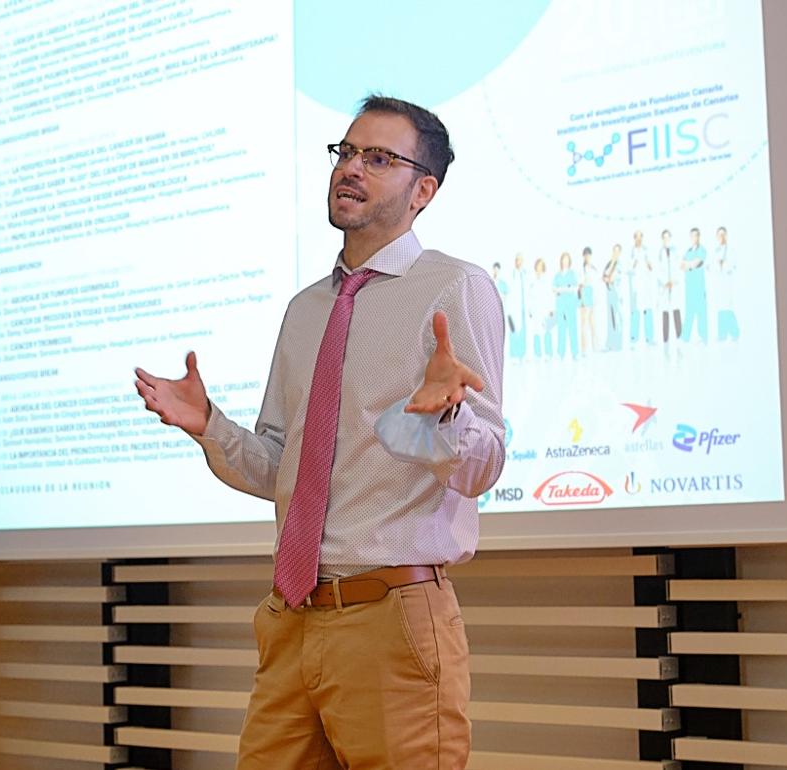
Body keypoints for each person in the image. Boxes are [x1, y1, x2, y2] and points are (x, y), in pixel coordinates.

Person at [135, 95, 504, 769]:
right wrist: (210, 427)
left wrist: (447, 416)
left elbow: (485, 466)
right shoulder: (306, 309)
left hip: (390, 615)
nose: (352, 168)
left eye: (379, 158)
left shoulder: (453, 287)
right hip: (292, 618)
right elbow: (281, 466)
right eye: (347, 152)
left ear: (424, 190)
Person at [681, 227, 709, 342]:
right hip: (689, 287)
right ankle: (685, 337)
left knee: (701, 312)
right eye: (692, 235)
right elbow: (682, 266)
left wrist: (689, 265)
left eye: (696, 235)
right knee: (689, 311)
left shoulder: (702, 250)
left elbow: (696, 264)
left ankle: (703, 337)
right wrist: (690, 265)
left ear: (699, 236)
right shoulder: (688, 251)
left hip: (699, 286)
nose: (694, 238)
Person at [656, 229, 683, 343]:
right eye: (664, 238)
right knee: (665, 312)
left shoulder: (675, 251)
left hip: (674, 284)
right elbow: (658, 269)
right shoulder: (660, 252)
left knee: (676, 310)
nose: (666, 239)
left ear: (670, 238)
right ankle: (665, 338)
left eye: (668, 237)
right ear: (662, 239)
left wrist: (673, 281)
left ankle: (679, 336)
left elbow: (678, 267)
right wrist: (665, 282)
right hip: (664, 286)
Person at [629, 230, 655, 345]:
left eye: (640, 237)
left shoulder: (647, 250)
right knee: (635, 311)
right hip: (635, 285)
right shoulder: (631, 252)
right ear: (634, 238)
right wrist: (635, 260)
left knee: (647, 309)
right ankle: (634, 339)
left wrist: (647, 261)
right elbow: (629, 268)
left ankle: (649, 338)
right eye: (637, 237)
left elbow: (651, 267)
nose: (639, 240)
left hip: (646, 284)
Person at [713, 226, 739, 340]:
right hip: (719, 282)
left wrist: (723, 264)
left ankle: (734, 333)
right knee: (720, 308)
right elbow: (713, 266)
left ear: (726, 236)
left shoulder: (731, 250)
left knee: (728, 307)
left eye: (723, 234)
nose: (722, 237)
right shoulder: (716, 251)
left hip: (728, 281)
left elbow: (733, 265)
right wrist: (718, 265)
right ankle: (722, 334)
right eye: (719, 235)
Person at [554, 251, 580, 359]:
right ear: (561, 261)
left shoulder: (572, 274)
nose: (565, 262)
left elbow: (575, 287)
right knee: (561, 329)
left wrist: (563, 289)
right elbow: (555, 289)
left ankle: (575, 353)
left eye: (567, 260)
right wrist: (564, 289)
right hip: (560, 305)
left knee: (572, 328)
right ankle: (561, 353)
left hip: (570, 305)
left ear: (569, 262)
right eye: (563, 260)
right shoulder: (557, 275)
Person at [528, 257, 554, 358]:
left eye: (541, 266)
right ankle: (538, 353)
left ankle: (548, 353)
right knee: (536, 332)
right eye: (538, 266)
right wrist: (530, 310)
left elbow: (549, 295)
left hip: (544, 310)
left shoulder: (546, 280)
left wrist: (550, 310)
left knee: (546, 331)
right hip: (535, 310)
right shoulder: (532, 280)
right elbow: (530, 296)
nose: (539, 268)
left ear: (543, 268)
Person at [579, 246, 600, 354]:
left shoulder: (593, 268)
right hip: (584, 293)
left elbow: (595, 283)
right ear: (583, 256)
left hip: (592, 294)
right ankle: (584, 349)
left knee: (592, 322)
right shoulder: (581, 269)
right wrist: (582, 299)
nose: (587, 257)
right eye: (585, 255)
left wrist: (595, 298)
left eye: (589, 255)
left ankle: (595, 346)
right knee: (584, 323)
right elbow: (581, 285)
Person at [604, 243, 624, 351]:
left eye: (617, 251)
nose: (615, 253)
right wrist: (612, 262)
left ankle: (618, 344)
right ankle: (610, 343)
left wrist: (608, 278)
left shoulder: (620, 265)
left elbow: (611, 278)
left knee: (617, 319)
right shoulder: (609, 263)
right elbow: (604, 276)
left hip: (617, 294)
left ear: (620, 253)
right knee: (610, 319)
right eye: (614, 251)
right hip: (609, 293)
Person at [508, 253, 528, 359]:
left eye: (520, 260)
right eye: (517, 260)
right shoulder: (511, 274)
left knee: (522, 332)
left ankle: (522, 354)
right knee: (513, 330)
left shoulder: (525, 274)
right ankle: (514, 354)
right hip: (513, 308)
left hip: (523, 307)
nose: (518, 262)